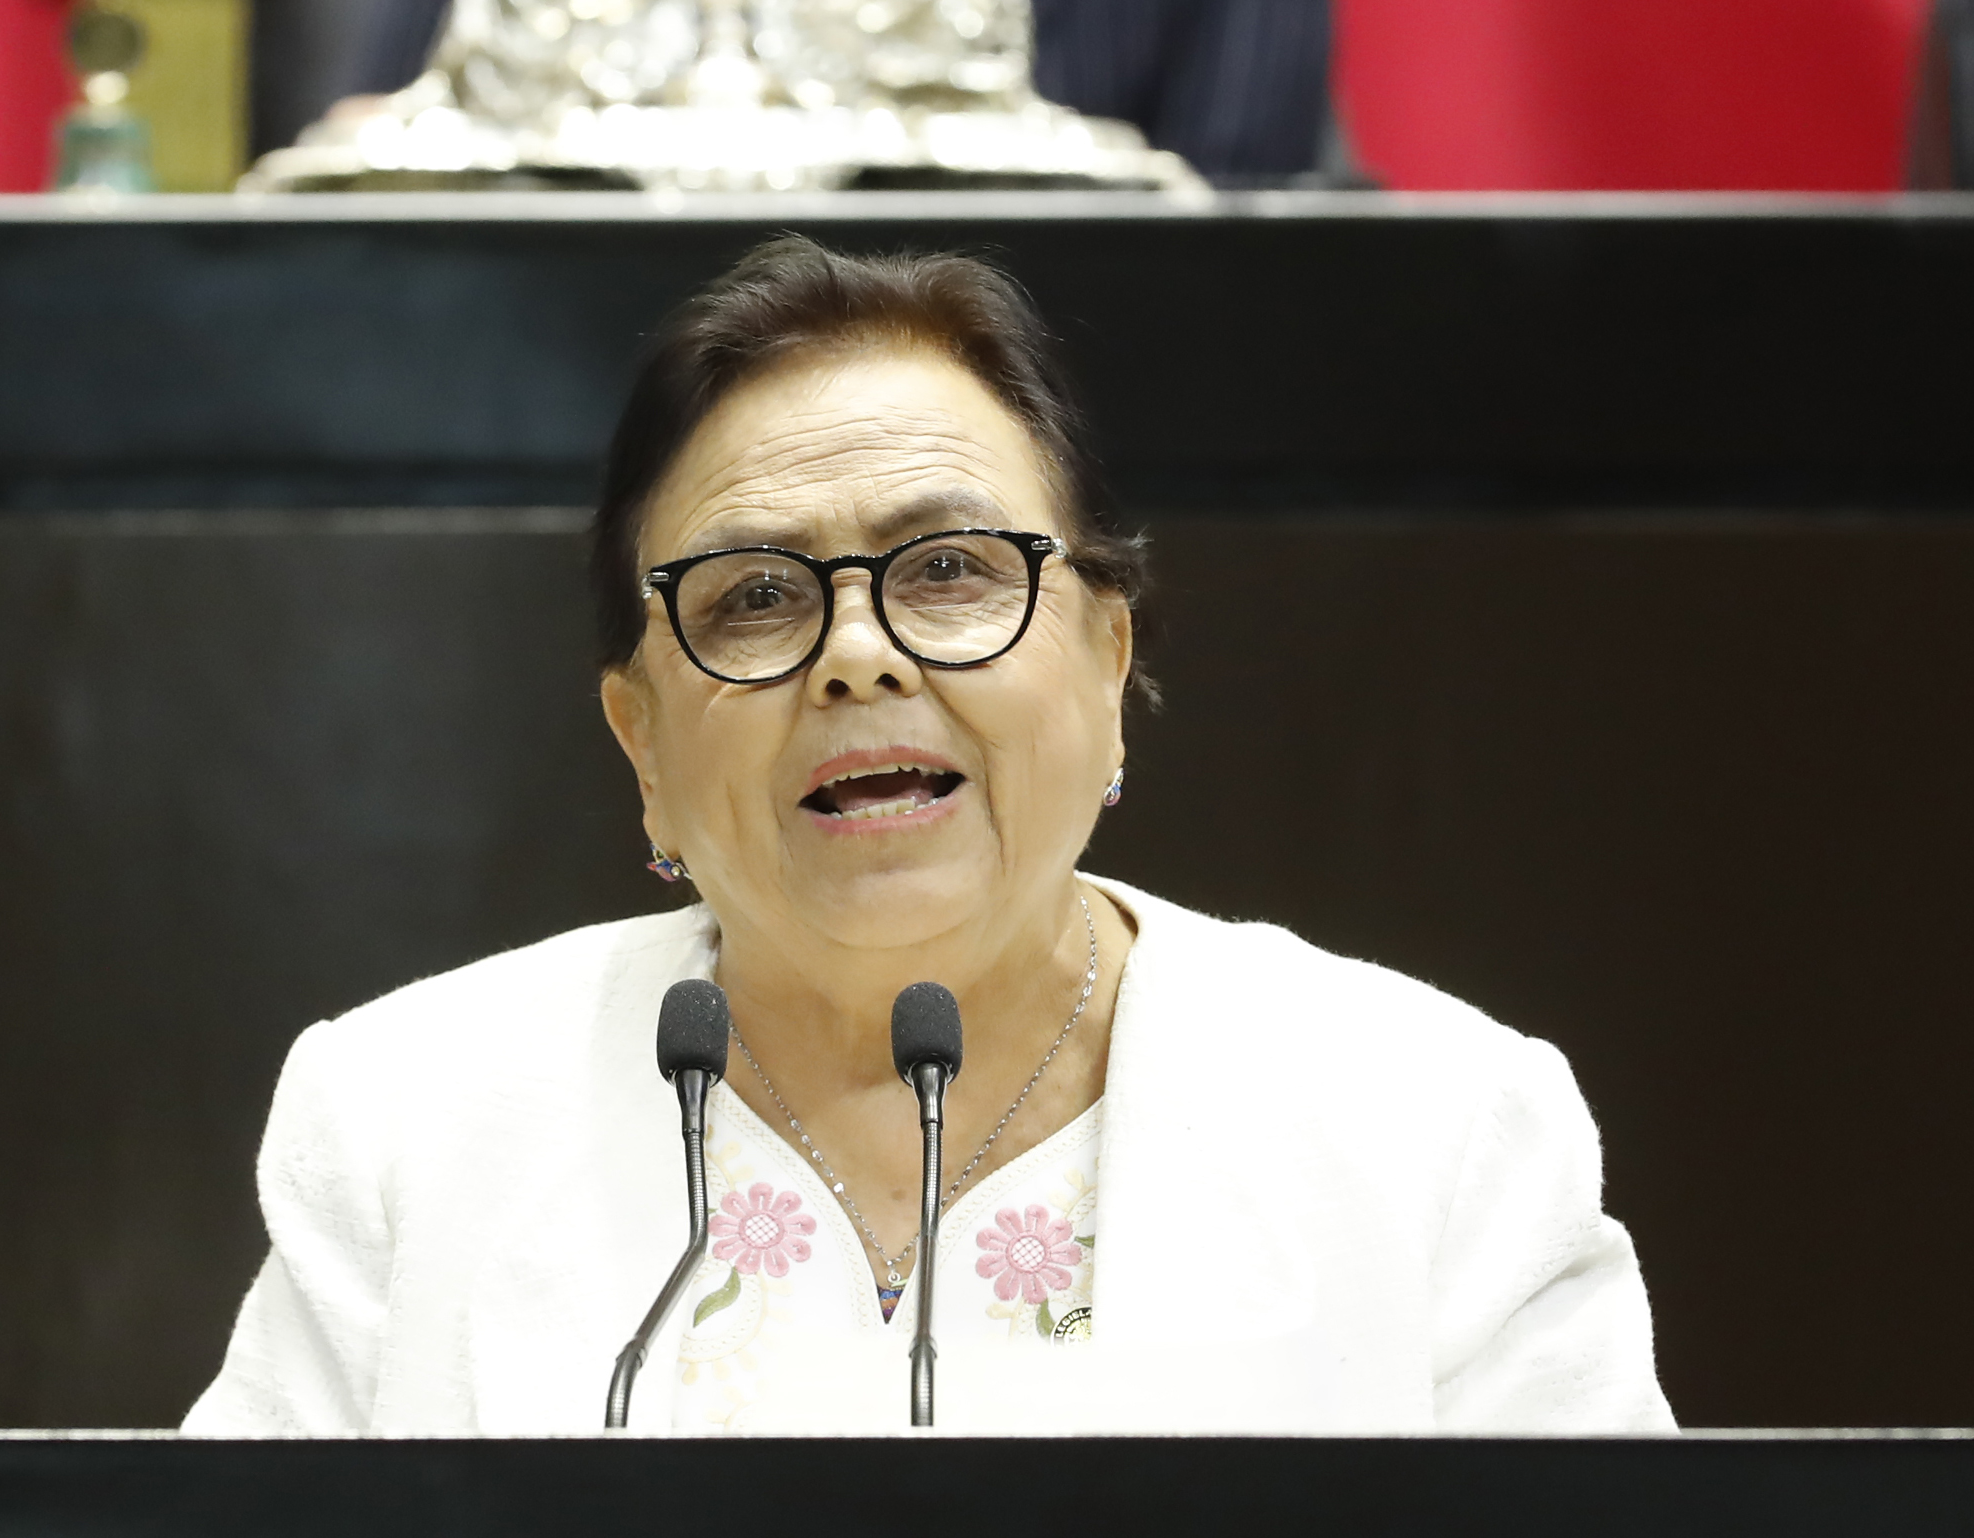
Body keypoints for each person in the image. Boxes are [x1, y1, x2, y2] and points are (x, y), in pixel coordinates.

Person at [184, 238, 1674, 1438]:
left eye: (950, 570)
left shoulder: (1434, 1129)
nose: (856, 656)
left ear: (1107, 660)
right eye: (753, 598)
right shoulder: (409, 1122)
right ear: (641, 742)